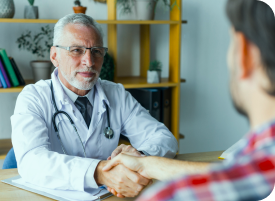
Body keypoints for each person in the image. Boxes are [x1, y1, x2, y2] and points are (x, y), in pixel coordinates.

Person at [103, 0, 275, 200]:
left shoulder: (174, 195)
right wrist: (146, 164)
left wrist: (134, 158)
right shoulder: (253, 160)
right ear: (55, 56)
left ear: (245, 54)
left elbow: (165, 138)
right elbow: (235, 171)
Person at [11, 13, 178, 197]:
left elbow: (164, 138)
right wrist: (99, 172)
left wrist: (139, 156)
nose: (89, 62)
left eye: (96, 51)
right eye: (76, 50)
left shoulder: (116, 94)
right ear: (54, 56)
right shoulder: (34, 97)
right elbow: (31, 162)